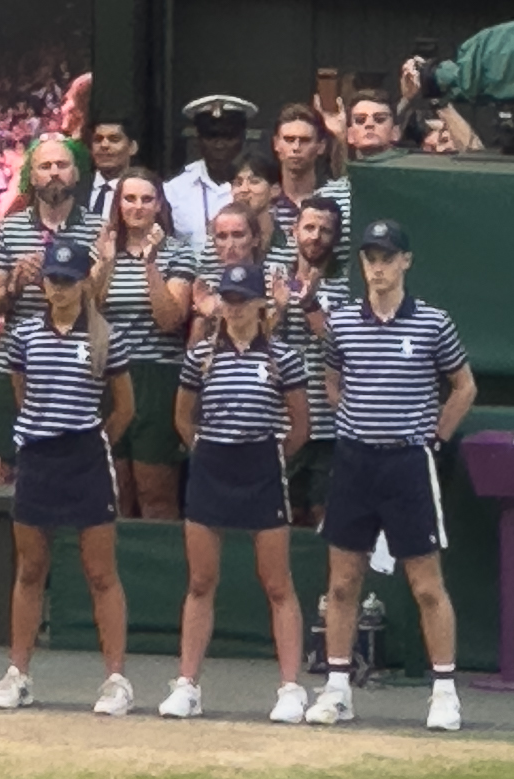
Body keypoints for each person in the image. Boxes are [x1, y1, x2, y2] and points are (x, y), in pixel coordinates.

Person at [310, 216, 471, 731]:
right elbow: (334, 381)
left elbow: (463, 387)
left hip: (408, 463)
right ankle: (337, 689)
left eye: (387, 259)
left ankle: (444, 692)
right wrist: (357, 419)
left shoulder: (432, 322)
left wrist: (435, 436)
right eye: (370, 259)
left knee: (426, 585)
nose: (377, 269)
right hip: (355, 461)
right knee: (341, 583)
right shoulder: (341, 323)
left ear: (406, 261)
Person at [0, 232, 136, 716]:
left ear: (84, 282)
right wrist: (45, 432)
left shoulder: (105, 336)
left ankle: (116, 679)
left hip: (86, 460)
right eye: (53, 279)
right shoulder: (25, 335)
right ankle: (18, 673)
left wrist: (92, 442)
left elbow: (124, 409)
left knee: (101, 573)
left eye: (69, 280)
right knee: (30, 569)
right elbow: (20, 393)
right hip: (38, 458)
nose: (60, 288)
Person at [163, 259, 313, 724]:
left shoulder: (283, 356)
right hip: (211, 468)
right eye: (227, 299)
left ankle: (290, 688)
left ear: (259, 304)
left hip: (262, 468)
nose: (234, 307)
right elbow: (183, 418)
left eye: (243, 299)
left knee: (277, 583)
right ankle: (187, 685)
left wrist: (267, 458)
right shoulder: (200, 356)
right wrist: (208, 450)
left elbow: (300, 427)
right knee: (201, 581)